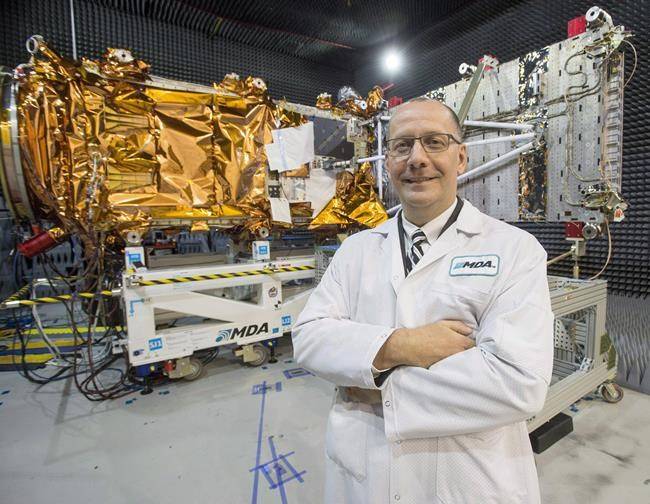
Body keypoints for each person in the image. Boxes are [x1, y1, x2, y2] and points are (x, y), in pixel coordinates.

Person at [292, 98, 554, 503]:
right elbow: (309, 339)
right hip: (367, 473)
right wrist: (402, 345)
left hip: (468, 477)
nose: (416, 159)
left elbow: (517, 383)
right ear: (388, 161)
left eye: (434, 142)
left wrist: (374, 378)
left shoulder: (515, 250)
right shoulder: (357, 250)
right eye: (402, 145)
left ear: (461, 157)